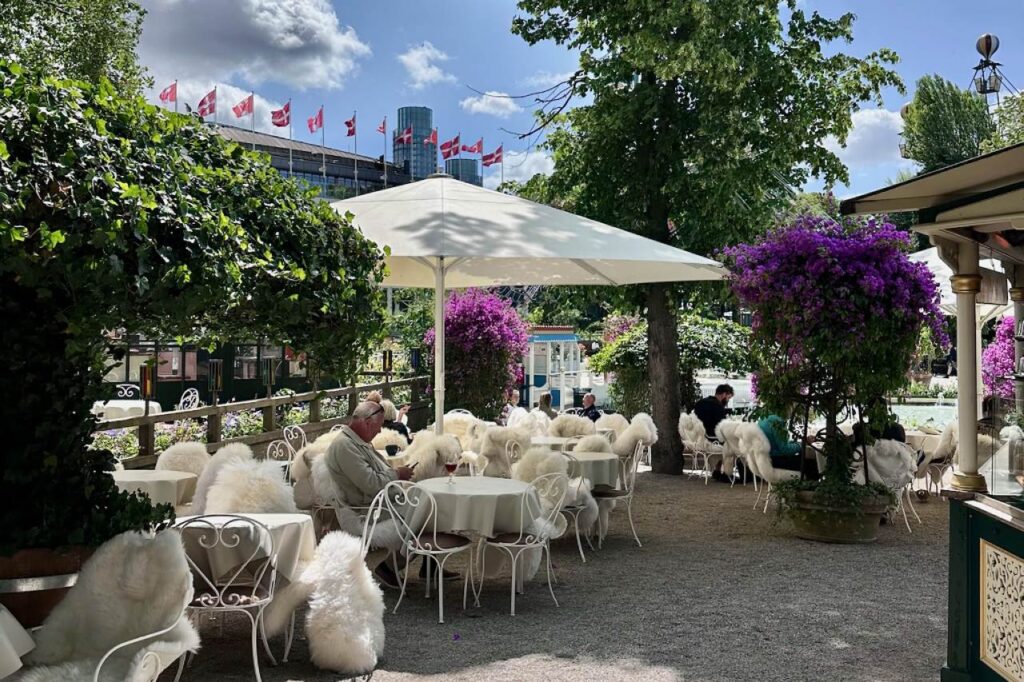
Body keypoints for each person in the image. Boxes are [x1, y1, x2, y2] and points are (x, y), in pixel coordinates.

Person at [324, 402, 452, 587]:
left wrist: (397, 476)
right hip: (369, 510)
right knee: (428, 511)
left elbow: (374, 478)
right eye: (378, 427)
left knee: (432, 505)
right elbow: (371, 483)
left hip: (382, 502)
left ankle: (427, 566)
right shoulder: (345, 446)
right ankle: (389, 568)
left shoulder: (355, 442)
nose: (379, 432)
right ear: (367, 422)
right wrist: (397, 474)